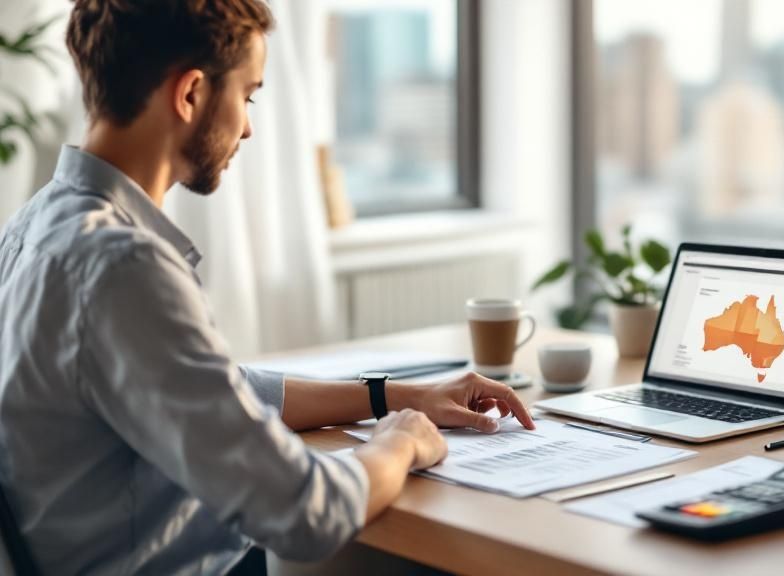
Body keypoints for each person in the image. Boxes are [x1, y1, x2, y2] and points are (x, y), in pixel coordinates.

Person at [0, 1, 534, 574]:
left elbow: (214, 387)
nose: (249, 126)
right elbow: (306, 514)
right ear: (191, 94)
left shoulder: (33, 228)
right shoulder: (123, 266)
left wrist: (399, 398)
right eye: (248, 95)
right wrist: (400, 442)